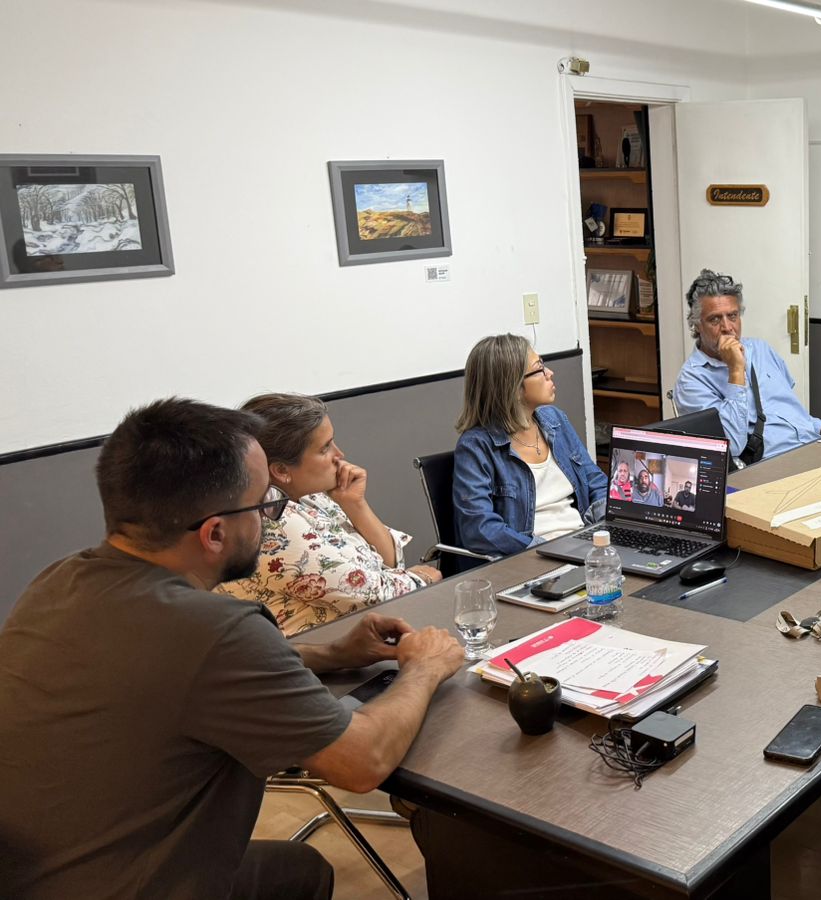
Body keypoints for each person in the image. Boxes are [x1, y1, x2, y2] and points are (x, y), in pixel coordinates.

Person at [0, 398, 465, 900]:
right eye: (266, 506)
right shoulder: (215, 629)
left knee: (300, 872)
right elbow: (362, 762)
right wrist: (424, 666)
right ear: (215, 533)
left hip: (36, 871)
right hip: (131, 883)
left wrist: (335, 654)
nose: (272, 518)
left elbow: (182, 672)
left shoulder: (58, 581)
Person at [216, 394, 441, 634]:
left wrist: (355, 504)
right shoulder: (271, 524)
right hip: (316, 663)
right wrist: (423, 577)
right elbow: (376, 595)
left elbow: (391, 563)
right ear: (281, 470)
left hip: (359, 640)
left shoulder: (310, 496)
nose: (339, 454)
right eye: (325, 448)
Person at [454, 334, 608, 557]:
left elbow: (595, 482)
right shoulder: (476, 447)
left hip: (584, 543)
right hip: (530, 557)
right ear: (513, 387)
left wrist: (607, 531)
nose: (550, 373)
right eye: (539, 369)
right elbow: (480, 528)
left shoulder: (555, 420)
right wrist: (545, 548)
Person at [672, 269, 821, 464]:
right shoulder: (691, 380)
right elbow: (732, 444)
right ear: (697, 325)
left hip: (813, 446)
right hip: (771, 466)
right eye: (715, 319)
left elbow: (789, 409)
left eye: (732, 316)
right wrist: (736, 370)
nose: (727, 327)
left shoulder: (760, 349)